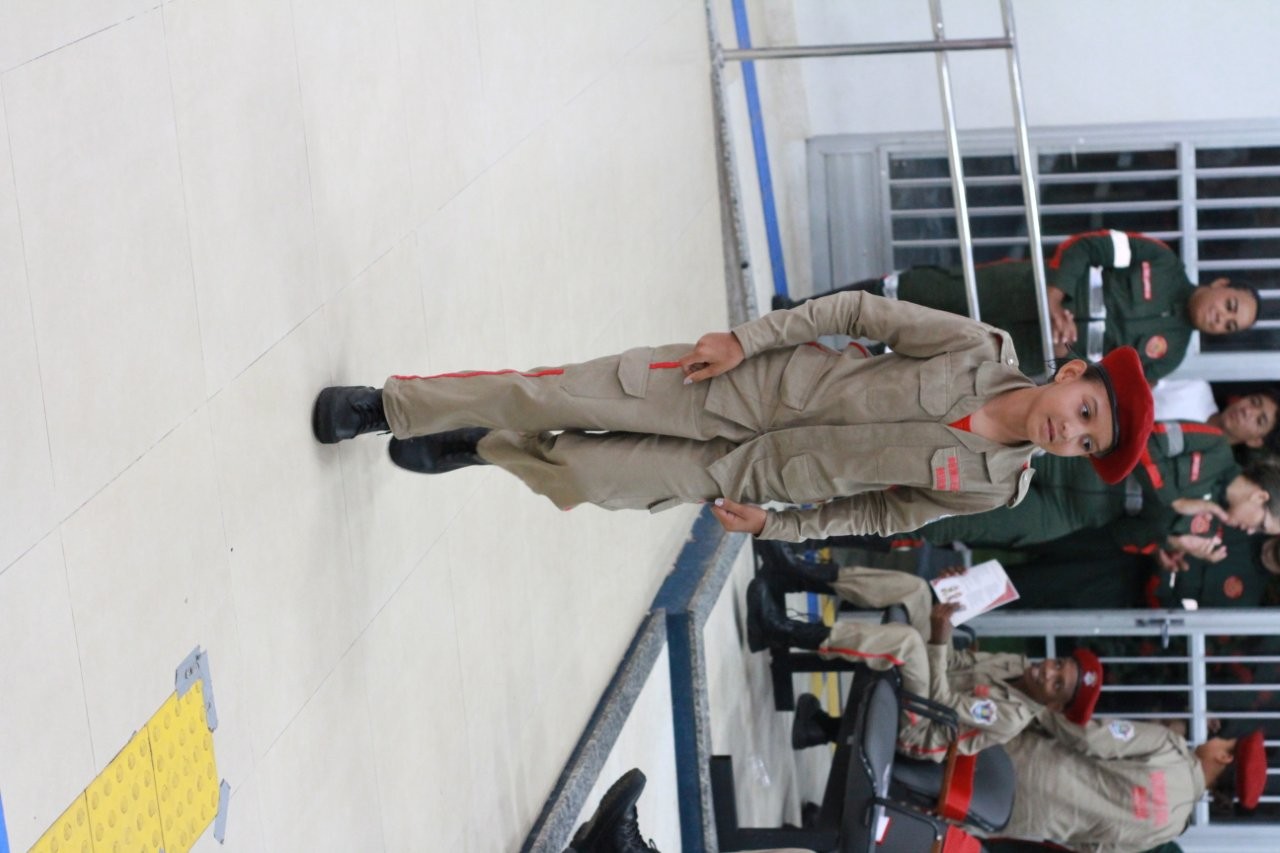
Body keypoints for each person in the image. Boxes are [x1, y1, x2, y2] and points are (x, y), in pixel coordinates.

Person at [312, 292, 1154, 540]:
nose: (1070, 431)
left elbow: (881, 513)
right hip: (736, 385)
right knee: (550, 394)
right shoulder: (975, 346)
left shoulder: (993, 489)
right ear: (1070, 373)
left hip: (743, 472)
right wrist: (745, 340)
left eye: (1087, 443)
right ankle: (390, 407)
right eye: (1084, 410)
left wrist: (778, 526)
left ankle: (483, 446)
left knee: (580, 475)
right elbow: (859, 313)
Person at [746, 554, 1103, 759]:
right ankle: (794, 574)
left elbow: (942, 703)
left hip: (918, 729)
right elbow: (956, 665)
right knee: (916, 590)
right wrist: (945, 606)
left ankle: (781, 630)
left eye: (1057, 683)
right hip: (929, 689)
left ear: (1053, 705)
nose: (1048, 671)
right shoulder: (1018, 666)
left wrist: (938, 639)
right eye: (1058, 664)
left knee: (908, 643)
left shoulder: (1011, 717)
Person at [777, 229, 1260, 381]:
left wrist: (1069, 358)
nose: (1221, 317)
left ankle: (803, 368)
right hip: (1022, 291)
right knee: (909, 294)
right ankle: (794, 314)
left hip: (1028, 348)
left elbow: (1107, 382)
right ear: (1220, 284)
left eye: (1229, 325)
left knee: (917, 355)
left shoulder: (1170, 355)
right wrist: (1056, 294)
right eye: (1230, 305)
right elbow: (1088, 246)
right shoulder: (1162, 260)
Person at [981, 718, 1268, 852]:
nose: (1215, 738)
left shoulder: (1170, 748)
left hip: (1021, 762)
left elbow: (1089, 737)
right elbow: (1093, 848)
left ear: (1225, 757)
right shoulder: (1169, 827)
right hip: (1019, 817)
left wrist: (1040, 711)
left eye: (1224, 740)